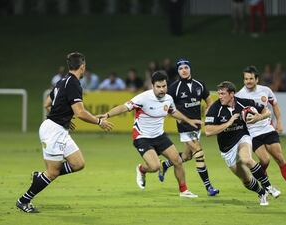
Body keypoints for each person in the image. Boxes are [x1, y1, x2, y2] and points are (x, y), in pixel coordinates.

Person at [16, 52, 113, 213]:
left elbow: (47, 103)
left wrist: (64, 117)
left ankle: (40, 178)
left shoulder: (62, 81)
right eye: (84, 67)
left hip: (59, 128)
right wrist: (99, 121)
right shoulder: (74, 83)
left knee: (78, 163)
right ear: (82, 67)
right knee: (53, 172)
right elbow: (80, 112)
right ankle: (24, 200)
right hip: (53, 131)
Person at [98, 71, 201, 198]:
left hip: (160, 136)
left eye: (164, 86)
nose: (162, 89)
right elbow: (123, 107)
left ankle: (184, 191)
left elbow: (173, 111)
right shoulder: (142, 98)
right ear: (152, 86)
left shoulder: (168, 98)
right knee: (155, 166)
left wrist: (189, 120)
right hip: (142, 137)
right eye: (158, 87)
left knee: (178, 161)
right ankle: (141, 169)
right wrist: (107, 115)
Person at [205, 81, 280, 206]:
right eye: (219, 93)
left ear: (232, 94)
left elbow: (267, 111)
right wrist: (228, 123)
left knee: (246, 159)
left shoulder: (243, 103)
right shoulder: (215, 108)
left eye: (223, 93)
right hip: (226, 149)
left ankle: (269, 187)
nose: (220, 96)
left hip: (242, 138)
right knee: (246, 179)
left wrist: (258, 117)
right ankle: (261, 192)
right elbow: (208, 131)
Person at [236, 66, 286, 197]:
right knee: (265, 160)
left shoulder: (266, 91)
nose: (248, 81)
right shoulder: (240, 95)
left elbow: (275, 105)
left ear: (257, 79)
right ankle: (265, 183)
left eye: (251, 78)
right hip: (252, 134)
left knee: (280, 158)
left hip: (267, 129)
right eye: (245, 79)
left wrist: (279, 122)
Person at [158, 58, 219, 196]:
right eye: (180, 68)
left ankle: (166, 164)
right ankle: (208, 187)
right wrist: (178, 119)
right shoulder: (174, 87)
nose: (183, 70)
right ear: (178, 71)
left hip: (196, 126)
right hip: (185, 127)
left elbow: (210, 102)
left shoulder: (199, 85)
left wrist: (208, 117)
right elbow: (167, 108)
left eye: (186, 67)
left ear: (190, 69)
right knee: (199, 152)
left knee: (187, 156)